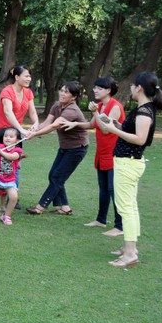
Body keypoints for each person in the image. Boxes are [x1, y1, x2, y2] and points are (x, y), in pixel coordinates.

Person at [95, 72, 162, 268]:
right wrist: (115, 124)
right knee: (130, 207)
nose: (131, 88)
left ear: (139, 88)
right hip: (128, 161)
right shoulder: (142, 109)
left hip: (128, 163)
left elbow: (140, 139)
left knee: (126, 208)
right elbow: (131, 130)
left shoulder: (144, 112)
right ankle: (128, 248)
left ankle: (131, 253)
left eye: (133, 85)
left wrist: (114, 130)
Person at [62, 76, 126, 236]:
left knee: (113, 190)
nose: (95, 90)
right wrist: (76, 124)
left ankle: (119, 226)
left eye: (99, 88)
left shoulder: (115, 106)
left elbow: (106, 128)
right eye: (95, 87)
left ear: (108, 90)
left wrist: (96, 112)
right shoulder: (99, 106)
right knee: (103, 189)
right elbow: (92, 124)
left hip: (114, 154)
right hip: (102, 153)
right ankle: (100, 220)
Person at [26, 81, 89, 216]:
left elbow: (55, 126)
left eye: (66, 92)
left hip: (77, 148)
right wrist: (33, 129)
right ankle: (65, 208)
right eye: (61, 90)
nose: (62, 93)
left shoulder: (72, 110)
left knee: (57, 177)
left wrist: (35, 135)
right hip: (65, 147)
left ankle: (40, 207)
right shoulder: (57, 105)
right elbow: (47, 122)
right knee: (54, 175)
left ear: (74, 97)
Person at [0, 65, 40, 208]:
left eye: (30, 76)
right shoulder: (7, 91)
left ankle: (12, 196)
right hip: (0, 134)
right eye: (26, 76)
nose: (29, 78)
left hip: (15, 135)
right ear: (17, 77)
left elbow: (33, 112)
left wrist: (35, 124)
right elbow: (8, 112)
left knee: (15, 165)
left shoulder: (28, 93)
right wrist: (22, 130)